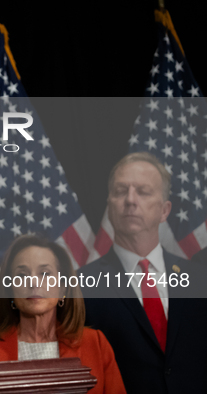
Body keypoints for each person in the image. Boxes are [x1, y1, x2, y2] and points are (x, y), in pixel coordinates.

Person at [78, 152, 207, 393]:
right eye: (120, 191)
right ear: (109, 205)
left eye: (143, 191)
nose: (130, 200)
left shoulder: (200, 279)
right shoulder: (80, 285)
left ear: (164, 210)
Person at [0, 235, 126, 394]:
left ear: (62, 288)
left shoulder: (95, 345)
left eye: (45, 273)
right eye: (22, 275)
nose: (33, 281)